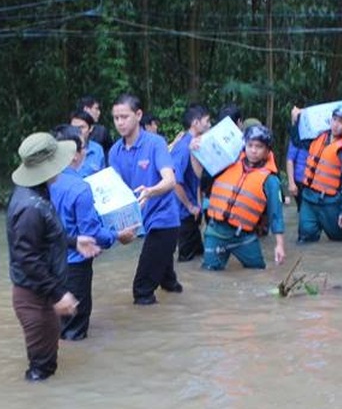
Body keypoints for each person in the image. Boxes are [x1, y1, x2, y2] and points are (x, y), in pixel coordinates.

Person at [7, 132, 97, 381]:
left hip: (40, 292)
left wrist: (73, 241)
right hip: (35, 296)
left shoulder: (35, 194)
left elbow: (41, 238)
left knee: (47, 359)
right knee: (41, 369)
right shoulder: (30, 207)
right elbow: (27, 258)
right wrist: (58, 293)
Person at [49, 125, 138, 340]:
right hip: (74, 265)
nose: (86, 152)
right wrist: (117, 235)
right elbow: (91, 234)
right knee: (75, 330)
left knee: (53, 323)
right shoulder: (80, 188)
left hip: (46, 264)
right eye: (83, 148)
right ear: (73, 154)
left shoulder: (40, 182)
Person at [108, 93, 181, 305]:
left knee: (142, 290)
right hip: (142, 221)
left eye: (124, 117)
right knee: (168, 283)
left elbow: (170, 180)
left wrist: (150, 191)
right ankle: (179, 308)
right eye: (116, 118)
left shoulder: (155, 143)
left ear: (138, 115)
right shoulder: (114, 151)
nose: (120, 122)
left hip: (164, 220)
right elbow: (115, 192)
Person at [201, 124, 285, 270]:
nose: (253, 150)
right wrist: (197, 148)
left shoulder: (271, 180)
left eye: (259, 147)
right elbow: (201, 170)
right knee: (209, 271)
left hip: (244, 235)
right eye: (250, 145)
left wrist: (280, 245)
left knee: (258, 271)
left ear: (267, 150)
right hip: (216, 230)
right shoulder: (228, 162)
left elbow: (276, 214)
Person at [292, 103, 342, 242]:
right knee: (305, 239)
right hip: (309, 198)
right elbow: (297, 141)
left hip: (331, 203)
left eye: (341, 122)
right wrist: (296, 121)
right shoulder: (319, 137)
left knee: (338, 242)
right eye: (334, 119)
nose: (335, 124)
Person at [170, 103, 211, 262]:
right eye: (207, 121)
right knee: (185, 260)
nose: (209, 125)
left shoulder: (195, 144)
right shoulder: (183, 147)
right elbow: (174, 181)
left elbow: (196, 179)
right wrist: (190, 206)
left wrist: (198, 206)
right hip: (183, 213)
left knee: (198, 256)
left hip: (192, 211)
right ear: (195, 123)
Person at [69, 109, 105, 178]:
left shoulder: (97, 150)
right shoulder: (64, 149)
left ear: (91, 128)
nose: (77, 131)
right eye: (73, 128)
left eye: (81, 127)